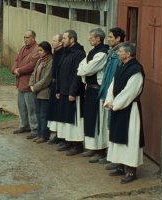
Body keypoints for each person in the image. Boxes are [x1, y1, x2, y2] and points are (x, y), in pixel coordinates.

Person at [104, 42, 145, 184]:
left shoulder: (136, 70)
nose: (118, 53)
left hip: (130, 109)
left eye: (120, 51)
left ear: (128, 54)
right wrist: (109, 100)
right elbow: (112, 85)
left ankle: (131, 170)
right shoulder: (121, 66)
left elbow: (130, 91)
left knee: (130, 139)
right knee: (118, 137)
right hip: (118, 107)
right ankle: (121, 166)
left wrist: (115, 104)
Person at [77, 28, 110, 163]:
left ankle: (100, 150)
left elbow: (88, 69)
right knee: (90, 118)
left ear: (98, 38)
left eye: (91, 37)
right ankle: (91, 147)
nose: (89, 39)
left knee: (98, 120)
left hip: (97, 90)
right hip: (89, 89)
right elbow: (81, 67)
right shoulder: (92, 52)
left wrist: (84, 70)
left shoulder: (102, 53)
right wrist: (84, 70)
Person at [53, 30, 86, 156]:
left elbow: (77, 75)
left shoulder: (79, 53)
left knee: (74, 120)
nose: (63, 40)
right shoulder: (66, 53)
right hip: (63, 90)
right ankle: (68, 141)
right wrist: (58, 89)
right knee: (66, 119)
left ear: (72, 39)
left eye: (65, 38)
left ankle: (77, 144)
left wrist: (73, 91)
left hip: (73, 93)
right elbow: (60, 72)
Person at [98, 27, 126, 168]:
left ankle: (116, 160)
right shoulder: (112, 53)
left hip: (116, 97)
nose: (108, 39)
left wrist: (111, 96)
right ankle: (111, 156)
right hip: (109, 95)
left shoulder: (119, 56)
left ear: (118, 39)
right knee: (109, 126)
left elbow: (114, 79)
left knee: (114, 127)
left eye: (110, 37)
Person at [11, 30, 40, 139]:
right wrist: (14, 69)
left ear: (33, 38)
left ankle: (34, 128)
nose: (25, 39)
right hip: (20, 82)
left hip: (29, 83)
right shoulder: (23, 48)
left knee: (31, 107)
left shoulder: (37, 49)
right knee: (21, 106)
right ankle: (24, 125)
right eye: (24, 37)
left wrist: (19, 70)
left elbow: (32, 65)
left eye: (27, 37)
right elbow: (16, 60)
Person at [29, 41, 53, 143]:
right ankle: (39, 134)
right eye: (38, 50)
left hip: (44, 92)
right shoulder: (40, 61)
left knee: (44, 115)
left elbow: (47, 78)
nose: (39, 52)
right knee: (38, 113)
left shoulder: (51, 61)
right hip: (36, 90)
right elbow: (34, 73)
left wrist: (35, 87)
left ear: (46, 51)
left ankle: (44, 135)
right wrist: (31, 84)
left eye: (41, 50)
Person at [47, 34, 66, 144]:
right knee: (53, 110)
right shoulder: (56, 53)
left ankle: (59, 135)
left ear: (60, 43)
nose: (52, 42)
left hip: (59, 85)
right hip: (54, 84)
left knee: (58, 111)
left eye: (54, 41)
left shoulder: (63, 53)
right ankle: (54, 134)